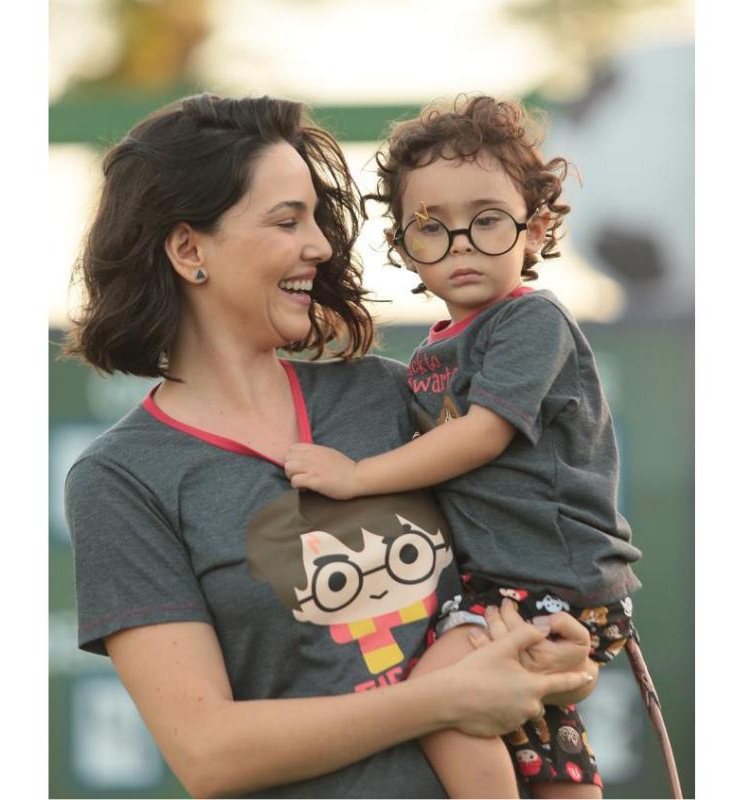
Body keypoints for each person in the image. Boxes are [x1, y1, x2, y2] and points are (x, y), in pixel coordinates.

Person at [62, 93, 599, 799]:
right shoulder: (121, 479)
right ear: (190, 249)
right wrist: (444, 699)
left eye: (317, 219)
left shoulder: (395, 396)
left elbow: (528, 566)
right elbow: (209, 753)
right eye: (288, 220)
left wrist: (566, 657)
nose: (320, 245)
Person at [284, 95, 643, 799]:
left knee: (442, 696)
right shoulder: (433, 349)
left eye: (486, 220)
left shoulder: (530, 322)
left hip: (552, 578)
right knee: (537, 732)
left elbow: (480, 434)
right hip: (501, 582)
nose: (461, 244)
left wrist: (355, 477)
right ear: (403, 247)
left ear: (535, 229)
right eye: (432, 227)